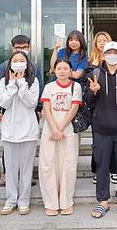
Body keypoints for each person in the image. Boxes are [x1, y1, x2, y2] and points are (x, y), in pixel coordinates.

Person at [84, 41, 117, 219]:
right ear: (103, 55)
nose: (112, 55)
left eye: (115, 52)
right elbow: (88, 102)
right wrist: (93, 92)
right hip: (100, 129)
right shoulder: (95, 73)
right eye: (109, 52)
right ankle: (103, 201)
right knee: (102, 166)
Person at [0, 34, 43, 187]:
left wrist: (39, 108)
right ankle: (8, 173)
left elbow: (39, 87)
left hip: (28, 108)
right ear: (12, 48)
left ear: (29, 47)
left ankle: (27, 176)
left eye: (24, 47)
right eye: (18, 47)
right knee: (10, 142)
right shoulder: (3, 67)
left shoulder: (34, 66)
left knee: (27, 143)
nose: (21, 50)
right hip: (10, 110)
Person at [0, 51, 39, 216]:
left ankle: (24, 200)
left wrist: (21, 83)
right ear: (10, 64)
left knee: (27, 168)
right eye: (15, 60)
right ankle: (11, 200)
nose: (19, 63)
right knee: (11, 168)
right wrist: (13, 84)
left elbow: (31, 103)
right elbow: (4, 103)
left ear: (27, 64)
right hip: (10, 130)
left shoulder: (33, 81)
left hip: (28, 129)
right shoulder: (3, 82)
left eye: (22, 60)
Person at [38, 58, 83, 216]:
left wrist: (61, 128)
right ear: (54, 70)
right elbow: (46, 110)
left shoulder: (75, 86)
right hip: (49, 131)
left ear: (70, 71)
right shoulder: (49, 87)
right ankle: (50, 202)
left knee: (68, 165)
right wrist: (55, 130)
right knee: (48, 164)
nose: (62, 71)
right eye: (59, 68)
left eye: (65, 68)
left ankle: (66, 201)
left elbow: (74, 108)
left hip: (68, 131)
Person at [87, 31, 117, 185]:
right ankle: (98, 171)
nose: (101, 43)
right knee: (98, 143)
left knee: (114, 143)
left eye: (104, 40)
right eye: (99, 41)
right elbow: (86, 80)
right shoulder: (91, 60)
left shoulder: (116, 61)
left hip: (113, 106)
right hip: (97, 107)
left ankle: (114, 170)